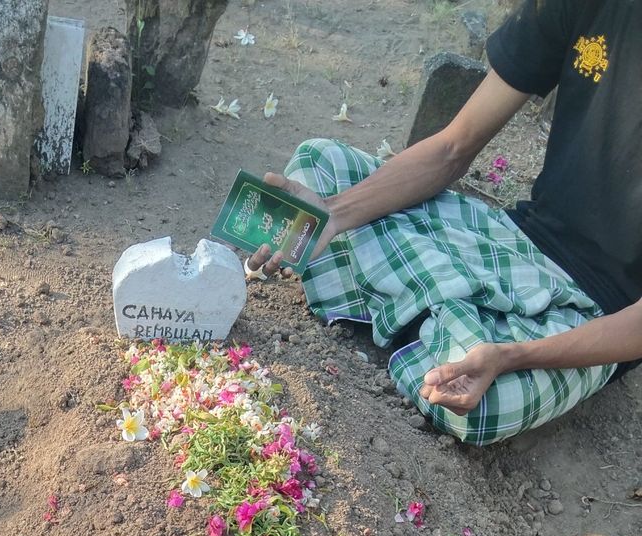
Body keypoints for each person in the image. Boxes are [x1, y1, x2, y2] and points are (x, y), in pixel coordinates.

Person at [247, 0, 642, 445]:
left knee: (481, 409)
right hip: (516, 239)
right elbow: (454, 145)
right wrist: (333, 215)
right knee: (320, 161)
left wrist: (511, 356)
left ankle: (423, 310)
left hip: (595, 311)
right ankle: (436, 319)